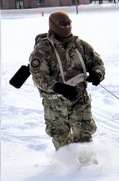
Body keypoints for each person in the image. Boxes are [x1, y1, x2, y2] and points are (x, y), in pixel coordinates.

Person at [28, 11, 106, 149]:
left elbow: (97, 62)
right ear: (53, 26)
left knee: (84, 136)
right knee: (61, 139)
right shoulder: (42, 49)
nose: (66, 26)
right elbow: (38, 76)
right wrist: (58, 87)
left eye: (69, 23)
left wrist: (97, 73)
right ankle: (66, 167)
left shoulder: (80, 45)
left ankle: (89, 168)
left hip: (79, 99)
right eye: (62, 24)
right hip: (55, 102)